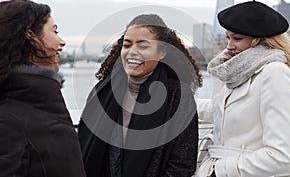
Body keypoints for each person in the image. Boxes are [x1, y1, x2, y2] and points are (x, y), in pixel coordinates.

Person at [78, 14, 202, 177]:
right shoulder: (101, 93)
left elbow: (182, 165)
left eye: (143, 46)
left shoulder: (178, 96)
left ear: (162, 52)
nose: (132, 52)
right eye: (127, 45)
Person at [195, 0, 290, 177]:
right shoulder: (241, 73)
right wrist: (175, 102)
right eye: (228, 37)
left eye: (237, 38)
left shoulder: (275, 73)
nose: (229, 46)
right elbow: (219, 110)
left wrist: (221, 170)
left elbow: (281, 156)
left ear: (260, 40)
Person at [0, 0, 86, 177]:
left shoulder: (35, 103)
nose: (61, 42)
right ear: (31, 36)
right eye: (54, 31)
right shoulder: (9, 120)